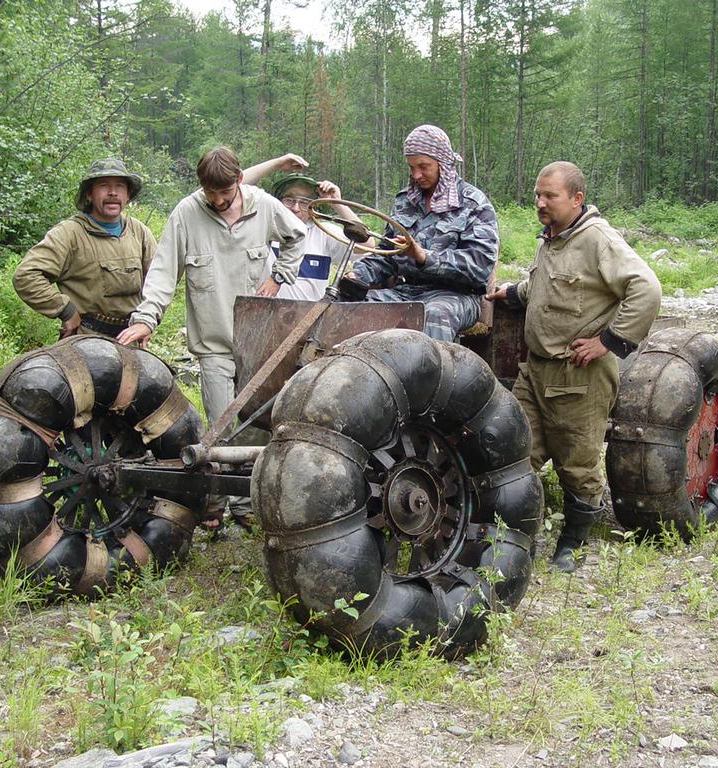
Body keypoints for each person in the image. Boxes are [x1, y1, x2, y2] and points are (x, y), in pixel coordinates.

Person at [487, 161, 662, 572]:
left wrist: (609, 341)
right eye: (537, 194)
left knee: (577, 464)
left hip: (578, 375)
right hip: (536, 370)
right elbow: (549, 288)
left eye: (550, 196)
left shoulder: (597, 239)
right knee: (516, 453)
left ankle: (572, 544)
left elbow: (646, 288)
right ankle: (519, 538)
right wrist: (513, 293)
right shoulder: (552, 239)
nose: (540, 203)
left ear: (577, 198)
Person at [117, 146, 305, 439]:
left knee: (264, 428)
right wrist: (146, 319)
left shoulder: (264, 206)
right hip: (214, 345)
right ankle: (222, 475)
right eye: (210, 192)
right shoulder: (187, 213)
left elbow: (297, 236)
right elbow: (163, 271)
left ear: (240, 179)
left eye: (225, 192)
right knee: (221, 431)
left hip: (259, 344)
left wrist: (278, 276)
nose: (217, 200)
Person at [345, 124, 498, 340]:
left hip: (457, 297)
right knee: (346, 306)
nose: (416, 174)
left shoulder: (474, 204)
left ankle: (430, 374)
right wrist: (357, 275)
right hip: (407, 293)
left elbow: (479, 267)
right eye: (411, 167)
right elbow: (386, 255)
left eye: (423, 166)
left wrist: (425, 257)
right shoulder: (404, 202)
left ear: (443, 163)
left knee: (435, 315)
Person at [13, 158, 155, 339]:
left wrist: (146, 321)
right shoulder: (69, 233)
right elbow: (26, 275)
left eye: (120, 186)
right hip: (85, 340)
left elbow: (157, 282)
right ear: (89, 194)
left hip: (131, 340)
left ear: (127, 195)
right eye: (104, 186)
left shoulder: (139, 232)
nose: (113, 193)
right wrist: (66, 310)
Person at [241, 154, 372, 300]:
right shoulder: (264, 227)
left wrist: (337, 203)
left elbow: (367, 243)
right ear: (278, 202)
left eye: (304, 203)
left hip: (312, 319)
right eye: (289, 200)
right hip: (265, 317)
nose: (296, 208)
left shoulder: (325, 233)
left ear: (313, 207)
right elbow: (236, 187)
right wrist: (277, 163)